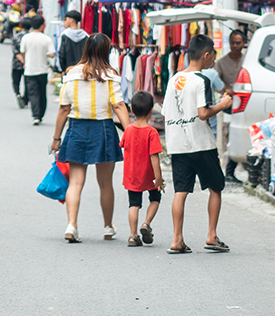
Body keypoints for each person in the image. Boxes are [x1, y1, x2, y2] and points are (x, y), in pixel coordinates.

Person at [49, 33, 129, 242]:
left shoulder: (72, 74)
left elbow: (64, 109)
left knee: (76, 182)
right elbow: (118, 105)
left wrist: (56, 138)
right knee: (105, 183)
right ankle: (108, 227)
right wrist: (130, 132)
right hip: (103, 129)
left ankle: (72, 225)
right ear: (106, 51)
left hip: (76, 129)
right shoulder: (110, 75)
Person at [163, 34, 233, 253]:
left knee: (180, 191)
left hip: (177, 143)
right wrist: (222, 104)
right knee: (216, 187)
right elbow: (203, 113)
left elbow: (166, 112)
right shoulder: (203, 80)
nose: (214, 59)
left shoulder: (174, 78)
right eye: (213, 55)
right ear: (206, 55)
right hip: (201, 143)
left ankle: (177, 240)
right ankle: (211, 236)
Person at [120, 90, 164, 247]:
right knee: (155, 199)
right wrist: (158, 179)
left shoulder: (128, 130)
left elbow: (123, 145)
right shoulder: (152, 132)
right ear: (152, 110)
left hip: (132, 175)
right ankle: (146, 223)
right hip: (149, 175)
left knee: (134, 204)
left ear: (131, 110)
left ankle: (133, 236)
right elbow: (154, 157)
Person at [210, 30, 247, 180]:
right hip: (229, 105)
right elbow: (216, 83)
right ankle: (229, 171)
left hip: (245, 104)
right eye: (232, 42)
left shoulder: (247, 60)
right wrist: (227, 91)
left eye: (238, 43)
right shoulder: (221, 63)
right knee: (230, 136)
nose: (235, 46)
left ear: (244, 43)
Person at [16, 13, 54, 124]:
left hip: (29, 70)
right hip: (42, 70)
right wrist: (44, 54)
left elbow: (22, 52)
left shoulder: (26, 38)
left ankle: (35, 115)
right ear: (43, 25)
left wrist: (25, 62)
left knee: (33, 93)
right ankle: (40, 114)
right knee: (42, 93)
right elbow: (51, 54)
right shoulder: (46, 39)